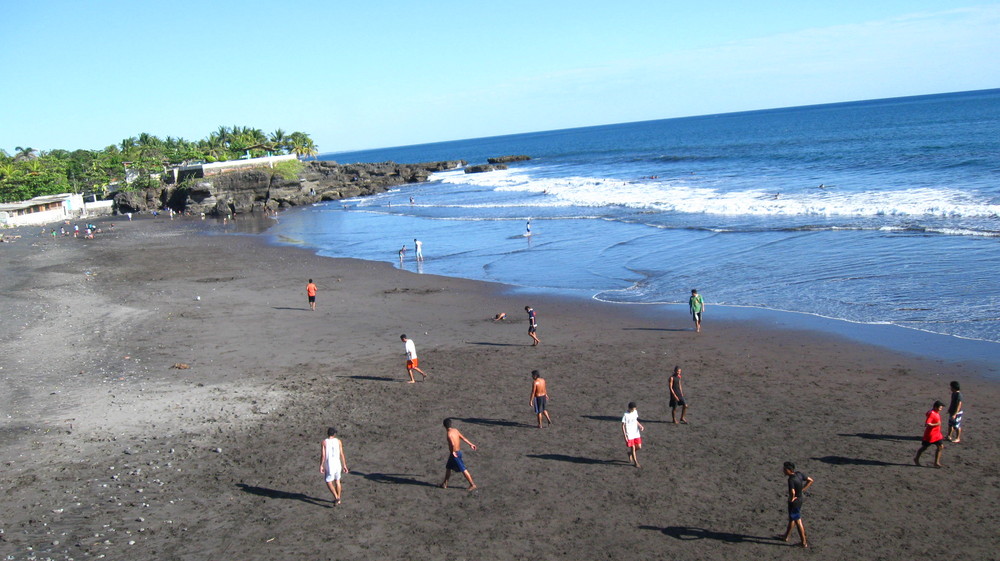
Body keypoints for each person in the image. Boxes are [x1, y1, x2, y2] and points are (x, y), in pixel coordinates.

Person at [780, 462, 814, 548]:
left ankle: (803, 542)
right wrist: (802, 490)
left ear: (789, 470)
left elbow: (792, 491)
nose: (783, 471)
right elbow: (810, 480)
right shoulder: (799, 474)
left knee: (798, 521)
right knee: (792, 518)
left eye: (785, 469)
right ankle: (786, 536)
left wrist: (792, 498)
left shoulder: (791, 480)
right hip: (800, 499)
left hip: (795, 502)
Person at [440, 418, 477, 490]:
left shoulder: (449, 434)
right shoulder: (455, 430)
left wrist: (453, 452)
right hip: (457, 452)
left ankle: (472, 484)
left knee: (463, 469)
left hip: (455, 454)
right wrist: (471, 444)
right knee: (448, 468)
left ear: (444, 426)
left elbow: (452, 444)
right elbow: (463, 438)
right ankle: (445, 483)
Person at [320, 427, 349, 505]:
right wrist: (344, 465)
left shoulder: (324, 442)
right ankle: (339, 498)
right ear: (334, 434)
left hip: (329, 465)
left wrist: (321, 465)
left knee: (328, 481)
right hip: (337, 464)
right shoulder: (338, 441)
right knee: (337, 481)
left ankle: (336, 497)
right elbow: (341, 454)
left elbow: (323, 455)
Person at [914, 400, 946, 467]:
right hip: (930, 435)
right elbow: (927, 424)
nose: (940, 410)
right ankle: (916, 459)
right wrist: (937, 424)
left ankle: (936, 462)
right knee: (924, 448)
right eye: (940, 408)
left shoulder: (934, 411)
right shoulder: (932, 413)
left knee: (940, 447)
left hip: (937, 434)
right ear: (935, 407)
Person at [621, 402, 644, 468]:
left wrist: (640, 426)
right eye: (633, 409)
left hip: (636, 433)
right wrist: (625, 436)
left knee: (639, 447)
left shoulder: (635, 412)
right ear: (630, 408)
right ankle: (636, 462)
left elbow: (635, 420)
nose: (634, 410)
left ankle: (630, 453)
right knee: (633, 447)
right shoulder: (625, 415)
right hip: (629, 434)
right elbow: (622, 426)